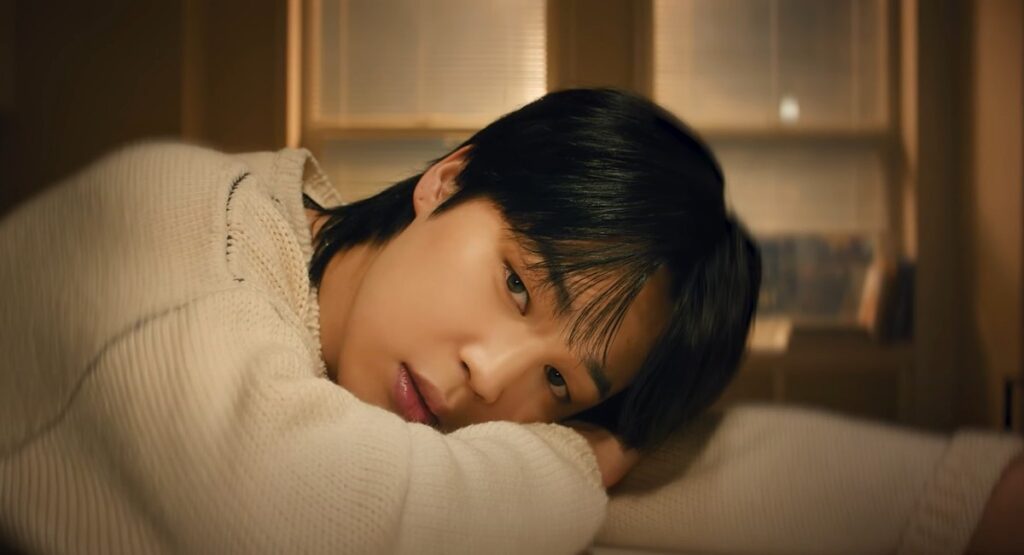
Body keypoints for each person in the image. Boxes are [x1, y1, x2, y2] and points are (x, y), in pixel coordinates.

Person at [0, 89, 1019, 554]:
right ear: (448, 179)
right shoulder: (189, 255)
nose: (494, 379)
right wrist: (577, 457)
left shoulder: (334, 318)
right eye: (519, 286)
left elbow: (656, 478)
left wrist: (966, 498)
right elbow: (323, 521)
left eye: (560, 386)